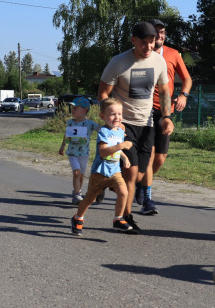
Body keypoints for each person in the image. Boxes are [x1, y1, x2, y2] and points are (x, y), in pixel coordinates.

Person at [97, 21, 172, 232]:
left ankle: (108, 183)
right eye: (144, 43)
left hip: (147, 124)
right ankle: (124, 217)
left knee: (139, 176)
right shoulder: (118, 62)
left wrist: (166, 116)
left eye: (152, 42)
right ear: (133, 41)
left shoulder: (158, 61)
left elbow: (165, 91)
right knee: (131, 174)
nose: (148, 47)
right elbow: (103, 94)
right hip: (124, 124)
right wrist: (113, 122)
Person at [137, 18, 192, 216]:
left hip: (165, 111)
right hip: (145, 109)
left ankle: (140, 182)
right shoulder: (142, 53)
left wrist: (183, 95)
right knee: (150, 154)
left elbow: (186, 78)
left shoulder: (173, 54)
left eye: (163, 33)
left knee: (160, 158)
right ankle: (147, 199)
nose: (160, 36)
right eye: (156, 32)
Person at [70, 97, 134, 234]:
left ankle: (118, 218)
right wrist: (122, 145)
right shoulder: (103, 131)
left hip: (115, 171)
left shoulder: (120, 132)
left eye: (119, 114)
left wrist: (124, 157)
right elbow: (104, 152)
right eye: (112, 114)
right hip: (100, 172)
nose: (117, 117)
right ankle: (78, 218)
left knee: (124, 192)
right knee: (90, 198)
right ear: (102, 116)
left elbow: (117, 149)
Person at [58, 97, 98, 204]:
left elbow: (101, 130)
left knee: (81, 175)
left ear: (84, 110)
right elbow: (66, 134)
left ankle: (77, 191)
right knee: (76, 172)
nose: (73, 110)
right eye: (72, 108)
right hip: (72, 152)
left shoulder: (90, 124)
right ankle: (77, 195)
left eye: (76, 108)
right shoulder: (70, 122)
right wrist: (62, 146)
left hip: (84, 154)